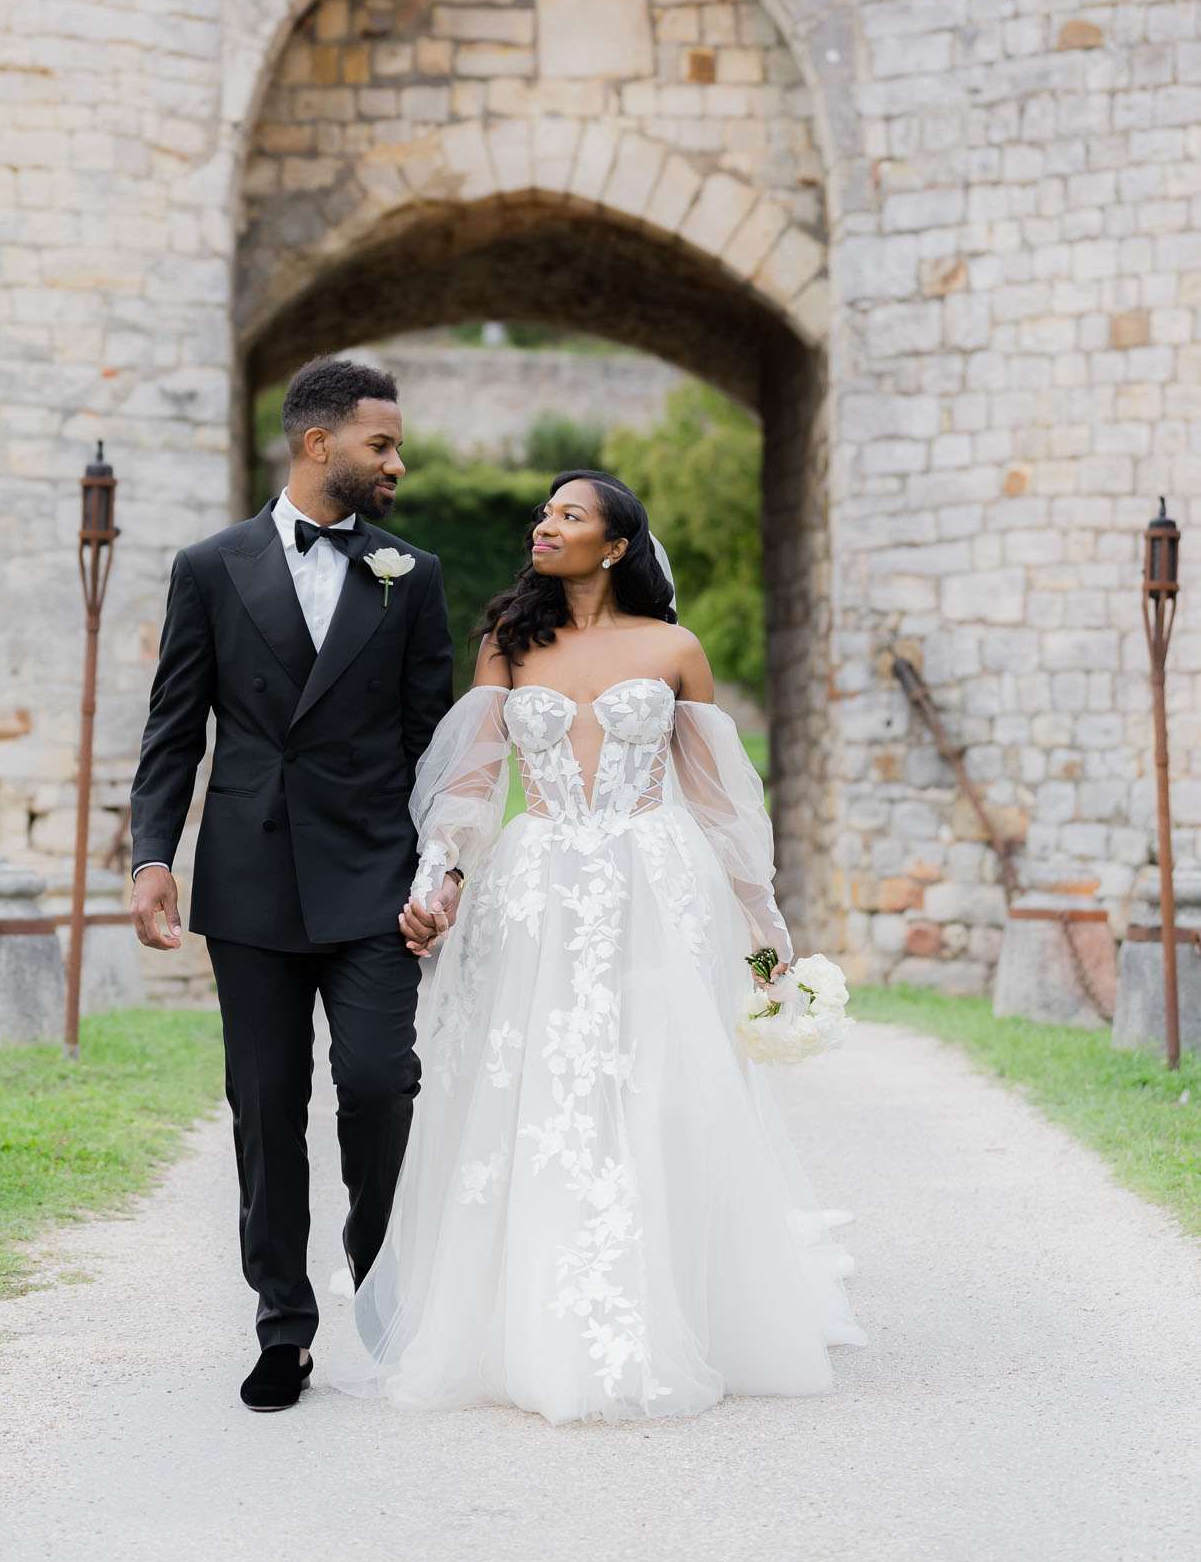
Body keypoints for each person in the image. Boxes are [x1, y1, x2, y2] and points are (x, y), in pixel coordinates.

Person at [341, 469, 865, 1424]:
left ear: (615, 545)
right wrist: (438, 876)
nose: (546, 525)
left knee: (655, 1079)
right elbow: (469, 781)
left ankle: (674, 1305)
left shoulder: (675, 648)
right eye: (545, 512)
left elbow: (717, 799)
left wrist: (765, 928)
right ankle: (521, 1318)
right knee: (534, 1088)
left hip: (657, 885)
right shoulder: (509, 643)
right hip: (538, 883)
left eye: (569, 516)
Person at [128, 358, 455, 1412]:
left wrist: (438, 869)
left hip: (372, 876)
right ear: (319, 445)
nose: (396, 463)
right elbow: (175, 727)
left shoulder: (414, 572)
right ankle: (282, 1323)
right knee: (263, 1105)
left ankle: (378, 1260)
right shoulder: (211, 567)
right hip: (254, 874)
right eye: (381, 445)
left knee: (377, 1082)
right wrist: (149, 857)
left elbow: (433, 747)